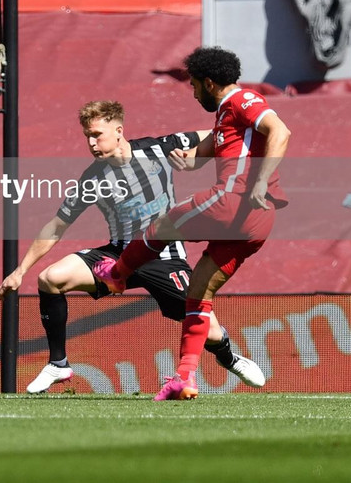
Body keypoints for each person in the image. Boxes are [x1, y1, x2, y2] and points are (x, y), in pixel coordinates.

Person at [0, 101, 265, 394]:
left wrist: (246, 139)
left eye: (97, 134)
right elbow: (57, 226)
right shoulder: (92, 179)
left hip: (165, 257)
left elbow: (218, 134)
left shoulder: (158, 149)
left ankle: (228, 357)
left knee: (210, 332)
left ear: (119, 131)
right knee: (50, 279)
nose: (91, 143)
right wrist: (20, 270)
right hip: (119, 256)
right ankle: (58, 363)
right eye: (87, 136)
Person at [94, 47, 291, 401]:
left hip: (236, 200)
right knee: (198, 294)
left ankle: (118, 273)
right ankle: (184, 378)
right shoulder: (224, 119)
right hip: (257, 223)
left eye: (195, 86)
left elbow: (280, 131)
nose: (194, 93)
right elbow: (217, 150)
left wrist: (261, 180)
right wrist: (190, 160)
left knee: (161, 225)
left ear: (210, 83)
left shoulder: (242, 99)